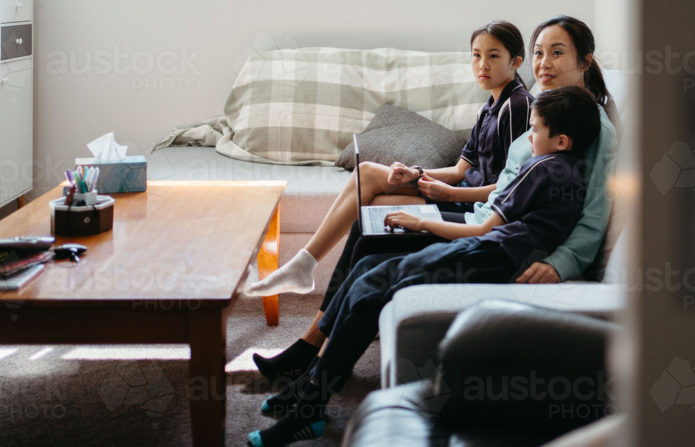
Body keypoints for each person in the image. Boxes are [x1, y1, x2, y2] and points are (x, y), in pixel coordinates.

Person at [250, 15, 619, 402]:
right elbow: (490, 179)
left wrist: (562, 262)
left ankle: (313, 358)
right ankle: (313, 349)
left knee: (371, 243)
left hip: (495, 237)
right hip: (484, 221)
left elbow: (594, 212)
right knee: (368, 230)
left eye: (557, 53)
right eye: (540, 52)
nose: (543, 63)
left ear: (586, 61)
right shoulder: (544, 112)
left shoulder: (588, 128)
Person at [246, 86, 603, 447]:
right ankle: (308, 382)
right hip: (493, 253)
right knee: (368, 264)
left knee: (371, 288)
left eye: (535, 129)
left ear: (561, 140)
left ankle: (309, 409)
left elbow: (483, 229)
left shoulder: (541, 168)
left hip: (488, 256)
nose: (529, 136)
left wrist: (422, 223)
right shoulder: (567, 170)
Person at [245, 21, 534, 377]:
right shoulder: (490, 104)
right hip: (460, 195)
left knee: (369, 219)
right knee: (368, 179)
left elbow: (508, 186)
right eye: (476, 56)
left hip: (472, 208)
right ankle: (308, 292)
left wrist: (446, 193)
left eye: (493, 56)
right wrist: (416, 174)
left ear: (515, 61)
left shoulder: (517, 107)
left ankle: (312, 339)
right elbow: (461, 167)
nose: (482, 66)